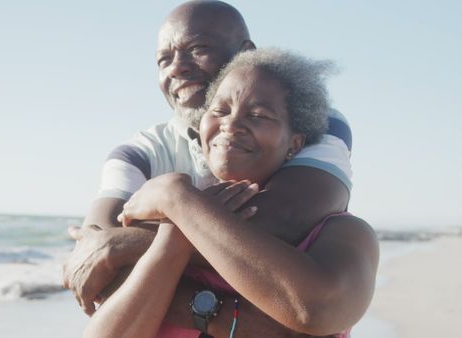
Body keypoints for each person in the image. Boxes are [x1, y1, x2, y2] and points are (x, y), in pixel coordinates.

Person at [63, 0, 352, 334]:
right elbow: (95, 261)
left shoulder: (314, 121)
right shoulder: (138, 152)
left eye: (197, 49)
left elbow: (282, 222)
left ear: (245, 52)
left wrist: (133, 240)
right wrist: (244, 322)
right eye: (164, 59)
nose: (177, 68)